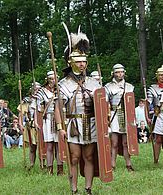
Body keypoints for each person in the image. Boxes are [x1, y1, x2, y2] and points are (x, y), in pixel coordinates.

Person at [55, 29, 101, 194]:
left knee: (89, 157)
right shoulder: (63, 84)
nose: (82, 64)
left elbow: (103, 105)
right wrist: (60, 127)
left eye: (84, 61)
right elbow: (58, 108)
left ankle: (88, 188)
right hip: (73, 124)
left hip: (92, 123)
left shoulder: (94, 83)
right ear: (71, 63)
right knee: (74, 157)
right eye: (78, 61)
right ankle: (74, 189)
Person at [105, 63, 135, 171]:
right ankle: (112, 165)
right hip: (114, 114)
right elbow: (105, 103)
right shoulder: (108, 87)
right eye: (117, 72)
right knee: (114, 142)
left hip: (126, 115)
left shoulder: (130, 87)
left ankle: (128, 164)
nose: (120, 74)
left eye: (121, 72)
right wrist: (107, 117)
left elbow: (131, 103)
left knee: (126, 142)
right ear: (113, 73)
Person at [36, 71, 63, 175]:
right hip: (47, 119)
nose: (53, 81)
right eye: (51, 79)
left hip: (59, 119)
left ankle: (60, 169)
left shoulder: (61, 90)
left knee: (59, 145)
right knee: (49, 146)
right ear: (47, 80)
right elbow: (39, 108)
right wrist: (37, 121)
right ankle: (49, 169)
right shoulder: (42, 92)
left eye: (54, 79)